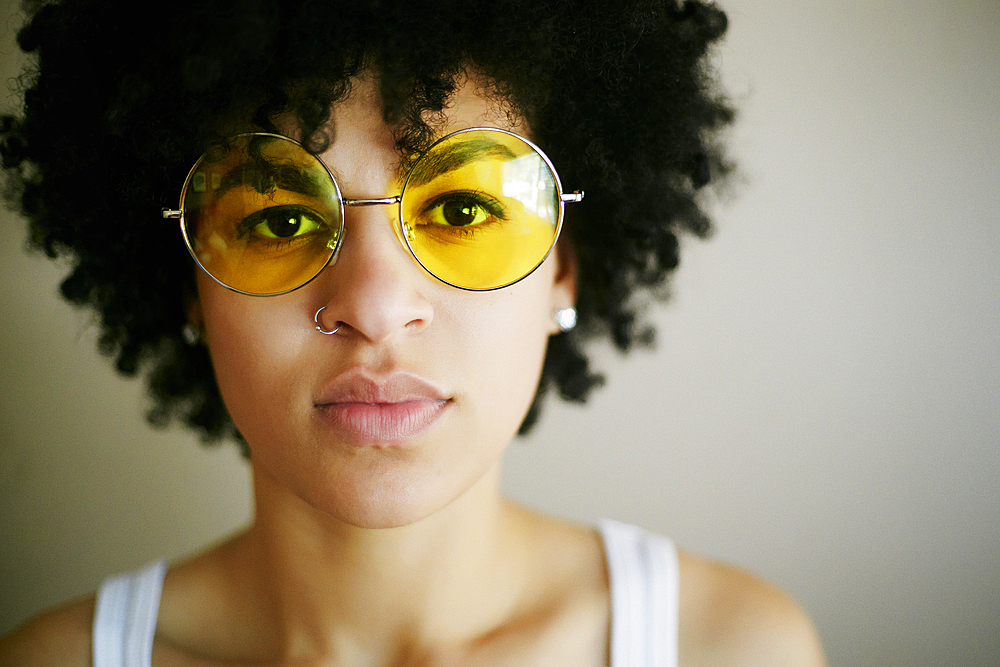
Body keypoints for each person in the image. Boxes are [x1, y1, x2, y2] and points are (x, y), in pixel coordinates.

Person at [0, 0, 825, 664]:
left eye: (464, 209)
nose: (375, 305)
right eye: (282, 217)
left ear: (563, 268)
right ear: (190, 284)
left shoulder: (730, 646)